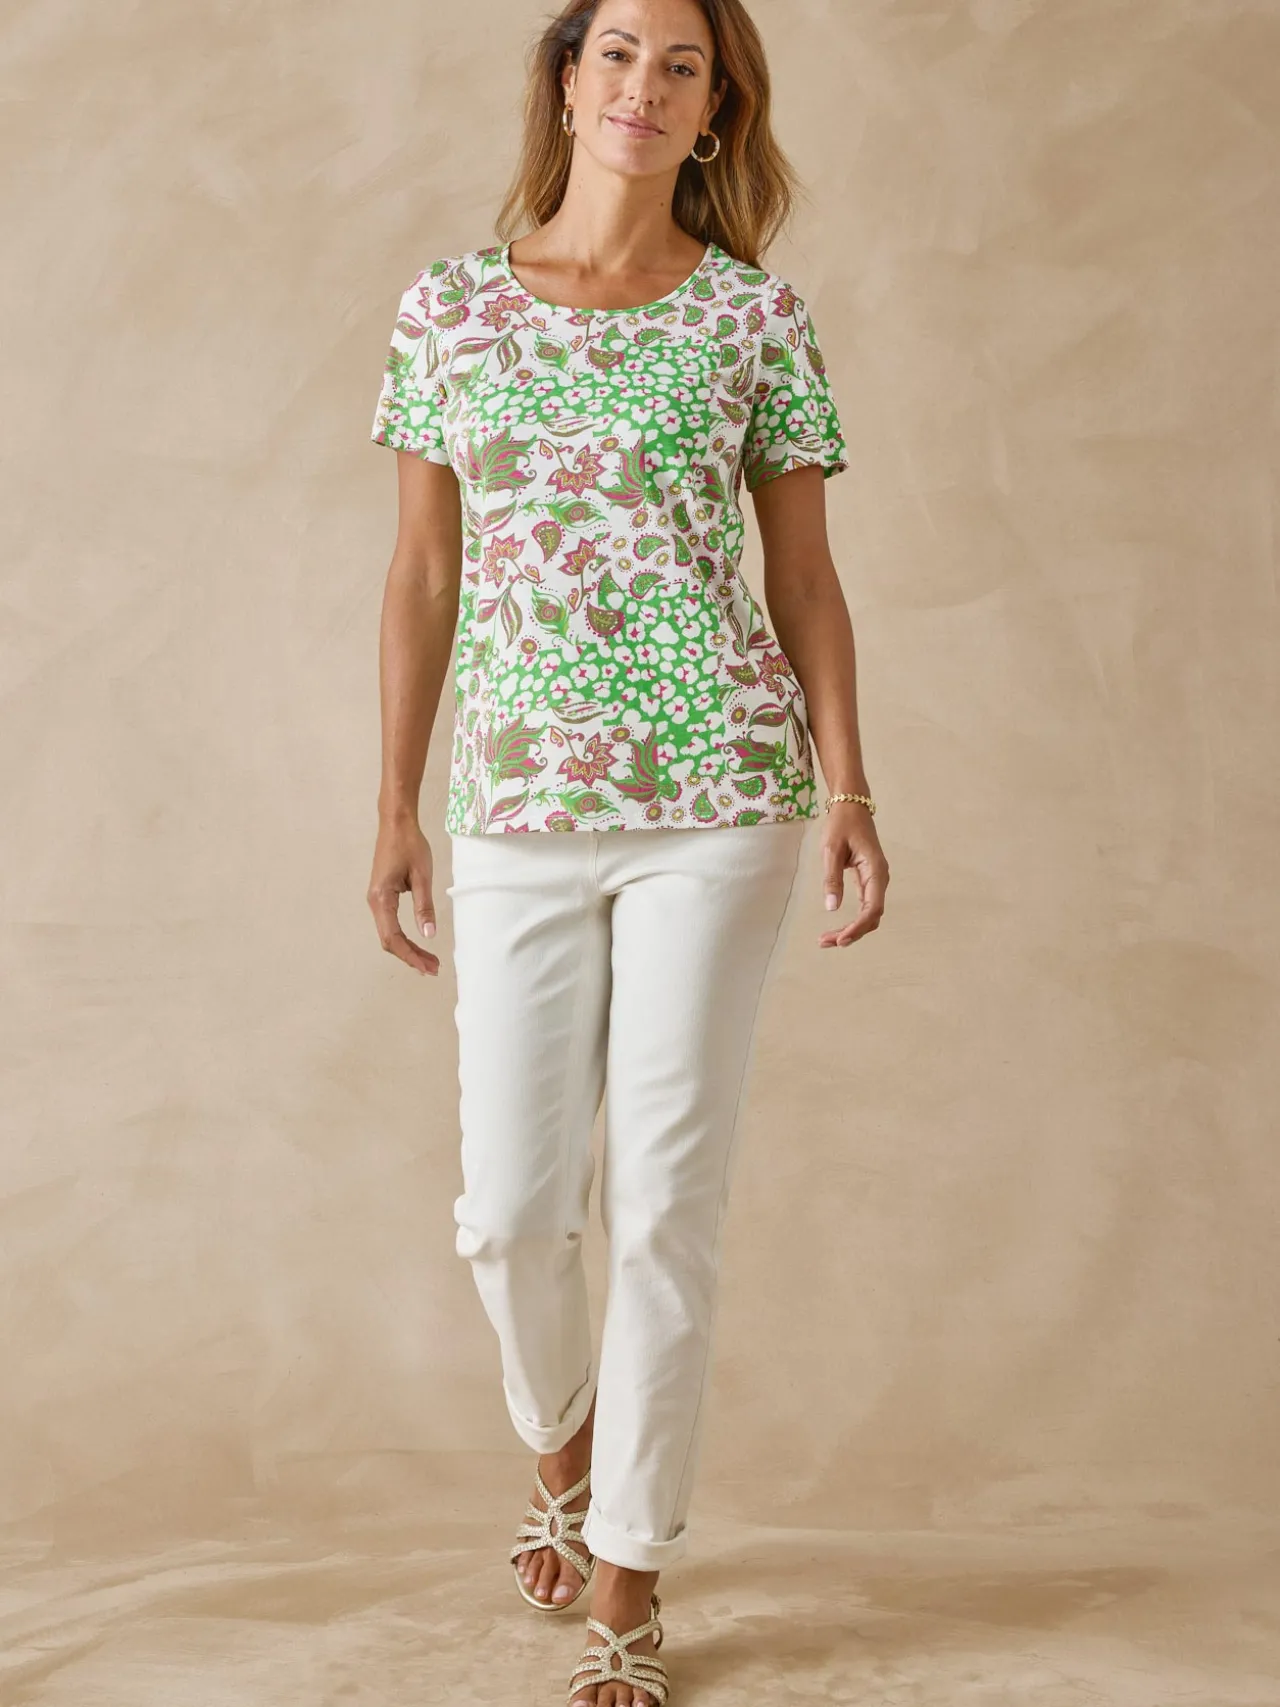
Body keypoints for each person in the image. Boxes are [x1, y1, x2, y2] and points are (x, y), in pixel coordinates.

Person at [366, 2, 888, 1701]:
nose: (644, 88)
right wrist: (394, 803)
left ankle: (630, 1583)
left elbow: (803, 576)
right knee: (511, 1210)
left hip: (720, 797)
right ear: (566, 77)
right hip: (516, 802)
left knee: (666, 1204)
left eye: (683, 66)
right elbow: (423, 574)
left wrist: (851, 791)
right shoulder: (451, 305)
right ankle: (564, 1454)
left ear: (716, 108)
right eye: (618, 55)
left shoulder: (754, 318)